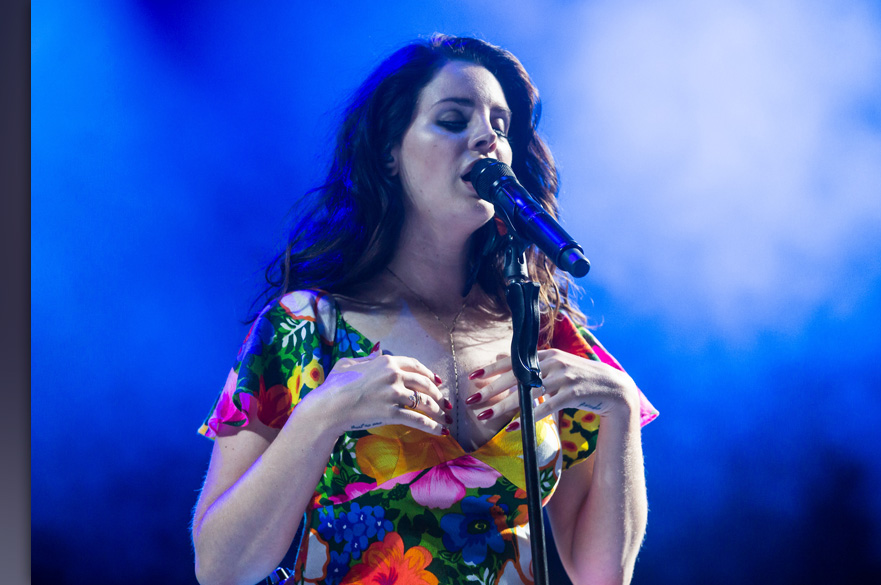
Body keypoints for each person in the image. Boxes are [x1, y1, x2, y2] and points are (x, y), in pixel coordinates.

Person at [191, 34, 658, 585]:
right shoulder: (307, 328)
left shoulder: (543, 332)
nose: (487, 138)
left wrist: (623, 411)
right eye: (454, 120)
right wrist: (322, 414)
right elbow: (220, 569)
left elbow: (602, 575)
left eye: (501, 126)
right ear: (390, 152)